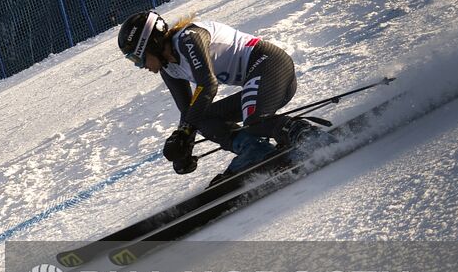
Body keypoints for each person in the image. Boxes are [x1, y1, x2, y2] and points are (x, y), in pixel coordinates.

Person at [117, 10, 313, 179]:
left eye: (137, 58)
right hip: (262, 81)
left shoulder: (188, 38)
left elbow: (208, 84)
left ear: (151, 44)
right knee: (202, 118)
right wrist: (183, 148)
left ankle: (303, 133)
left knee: (254, 122)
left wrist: (184, 133)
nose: (140, 66)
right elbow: (188, 112)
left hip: (271, 64)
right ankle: (254, 150)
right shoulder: (168, 69)